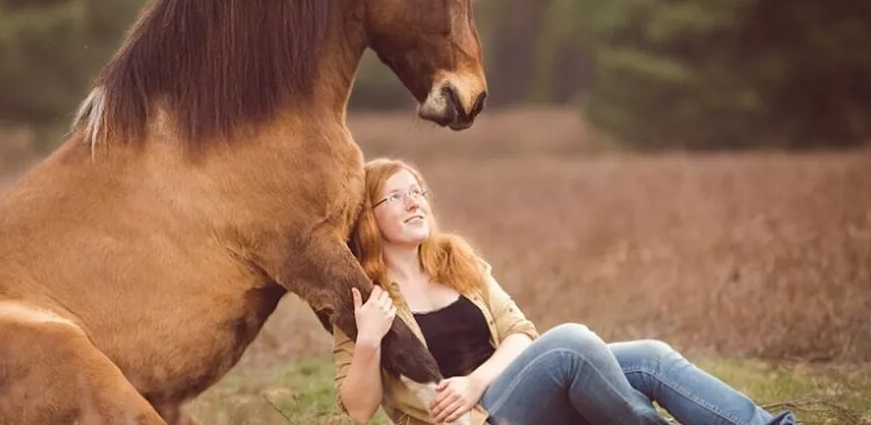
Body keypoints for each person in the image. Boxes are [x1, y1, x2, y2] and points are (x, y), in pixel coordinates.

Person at [333, 158, 796, 425]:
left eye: (418, 191)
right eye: (395, 196)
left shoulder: (457, 261)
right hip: (475, 423)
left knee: (650, 357)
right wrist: (370, 340)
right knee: (571, 345)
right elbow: (358, 409)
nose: (415, 201)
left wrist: (477, 380)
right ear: (368, 218)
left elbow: (520, 333)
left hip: (508, 392)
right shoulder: (363, 298)